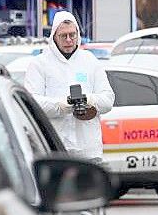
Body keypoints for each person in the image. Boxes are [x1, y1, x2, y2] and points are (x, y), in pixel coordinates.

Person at [25, 11, 115, 161]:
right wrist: (61, 106)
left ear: (78, 34)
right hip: (54, 149)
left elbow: (108, 99)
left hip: (88, 152)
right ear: (54, 36)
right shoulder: (40, 64)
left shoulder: (90, 61)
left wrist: (89, 101)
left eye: (72, 35)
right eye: (63, 36)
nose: (69, 40)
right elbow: (31, 103)